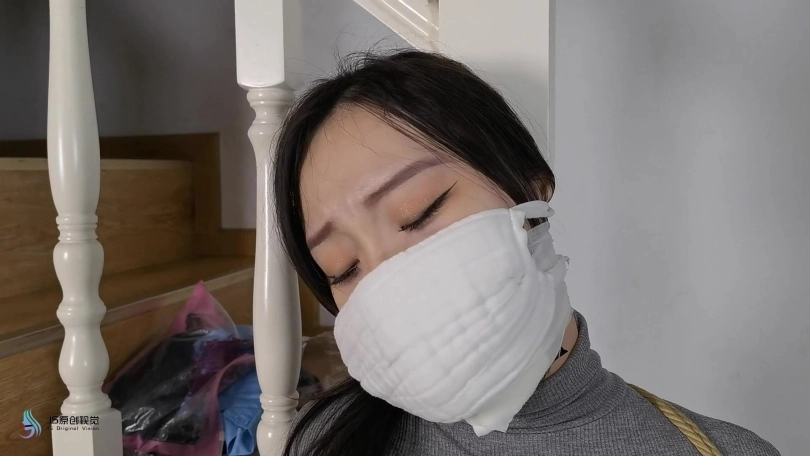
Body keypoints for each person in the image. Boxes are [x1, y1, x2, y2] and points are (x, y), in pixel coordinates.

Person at [272, 50, 779, 456]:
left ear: (529, 190)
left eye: (420, 211)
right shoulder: (326, 439)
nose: (389, 280)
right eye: (344, 268)